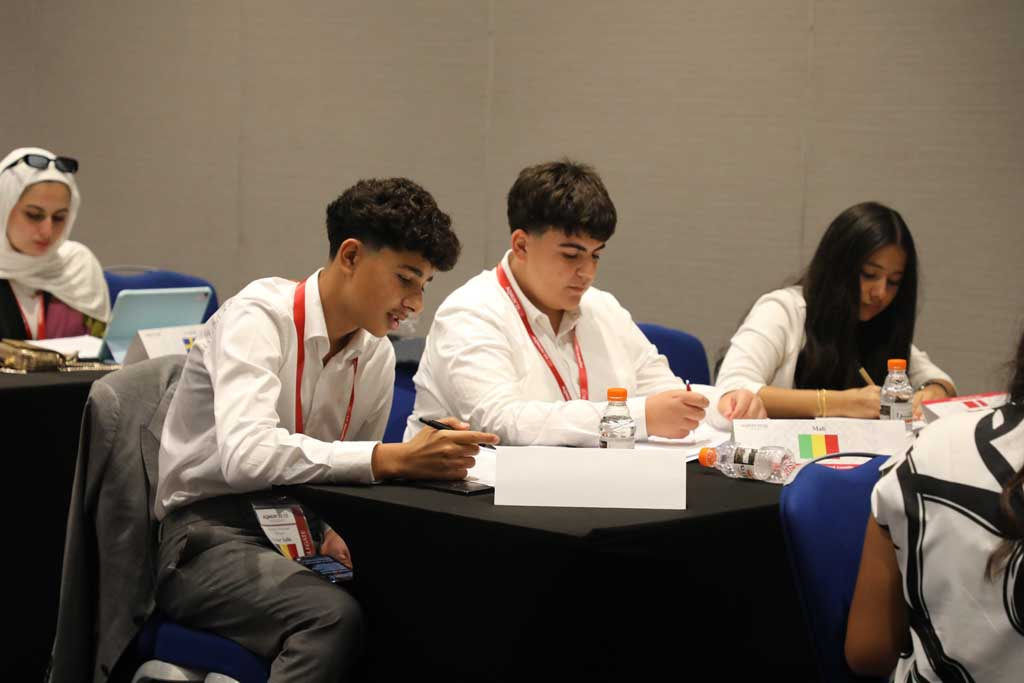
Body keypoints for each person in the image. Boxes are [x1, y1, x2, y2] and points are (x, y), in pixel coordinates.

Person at [155, 177, 499, 683]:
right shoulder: (258, 318)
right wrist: (388, 457)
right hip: (205, 538)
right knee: (330, 618)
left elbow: (350, 471)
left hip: (299, 530)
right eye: (406, 279)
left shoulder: (375, 354)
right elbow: (247, 457)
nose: (416, 304)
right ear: (351, 255)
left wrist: (414, 462)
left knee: (423, 600)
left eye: (424, 285)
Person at [406, 159, 764, 446]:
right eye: (571, 255)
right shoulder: (470, 312)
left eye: (596, 255)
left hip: (586, 489)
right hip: (476, 500)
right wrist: (634, 419)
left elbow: (664, 392)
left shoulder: (602, 308)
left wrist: (720, 405)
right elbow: (502, 424)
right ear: (522, 245)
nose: (587, 272)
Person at [845, 328, 1024, 680]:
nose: (878, 298)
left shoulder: (927, 450)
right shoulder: (787, 310)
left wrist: (935, 388)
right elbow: (738, 382)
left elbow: (868, 652)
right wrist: (835, 402)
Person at [716, 201, 954, 419]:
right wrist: (841, 403)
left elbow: (940, 381)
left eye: (893, 282)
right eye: (869, 274)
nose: (880, 293)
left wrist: (933, 391)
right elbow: (731, 388)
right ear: (838, 267)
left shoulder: (880, 324)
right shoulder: (785, 310)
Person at [0, 147, 109, 339]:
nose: (47, 231)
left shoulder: (78, 266)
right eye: (34, 215)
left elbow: (102, 346)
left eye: (59, 217)